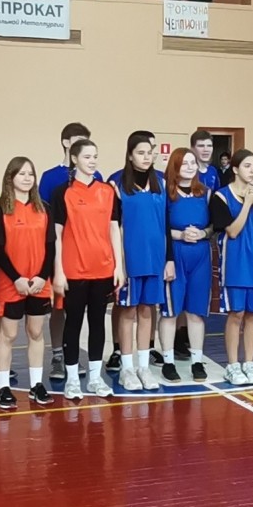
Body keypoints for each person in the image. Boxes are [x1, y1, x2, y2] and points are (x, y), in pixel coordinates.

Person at [51, 138, 123, 400]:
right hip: (74, 271)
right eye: (87, 157)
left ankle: (95, 378)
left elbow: (114, 229)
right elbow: (57, 235)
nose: (92, 161)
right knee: (73, 323)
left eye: (95, 156)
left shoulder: (107, 191)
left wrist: (119, 266)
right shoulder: (62, 192)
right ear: (74, 159)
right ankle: (72, 379)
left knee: (97, 323)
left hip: (103, 269)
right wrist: (58, 271)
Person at [0, 157, 56, 409]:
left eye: (31, 174)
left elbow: (51, 246)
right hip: (11, 282)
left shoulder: (44, 208)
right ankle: (3, 387)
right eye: (21, 174)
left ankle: (36, 384)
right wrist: (16, 278)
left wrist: (42, 276)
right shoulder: (0, 209)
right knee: (8, 334)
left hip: (39, 282)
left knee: (36, 332)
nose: (27, 178)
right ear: (10, 178)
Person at [114, 130, 171, 392]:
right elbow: (114, 228)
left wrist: (169, 259)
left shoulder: (161, 182)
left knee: (147, 311)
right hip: (130, 260)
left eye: (150, 153)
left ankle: (143, 367)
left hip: (155, 258)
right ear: (130, 155)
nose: (146, 157)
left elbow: (166, 224)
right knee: (128, 312)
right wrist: (119, 264)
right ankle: (126, 368)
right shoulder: (117, 184)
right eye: (140, 153)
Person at [212, 149, 253, 385]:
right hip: (235, 262)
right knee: (236, 313)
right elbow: (233, 231)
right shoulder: (221, 196)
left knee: (252, 314)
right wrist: (247, 203)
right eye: (247, 166)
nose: (252, 170)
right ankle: (232, 365)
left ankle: (248, 362)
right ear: (235, 169)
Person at [39, 122, 89, 382]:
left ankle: (73, 353)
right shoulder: (50, 177)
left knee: (79, 308)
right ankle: (58, 354)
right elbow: (43, 215)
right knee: (59, 306)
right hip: (60, 250)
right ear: (66, 144)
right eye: (78, 141)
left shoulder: (94, 176)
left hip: (85, 253)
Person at [158, 146, 212, 383]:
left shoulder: (206, 193)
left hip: (200, 255)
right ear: (175, 166)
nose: (190, 167)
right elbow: (160, 227)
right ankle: (168, 362)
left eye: (193, 162)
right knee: (170, 311)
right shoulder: (166, 194)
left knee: (196, 312)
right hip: (175, 253)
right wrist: (180, 235)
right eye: (185, 163)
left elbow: (214, 226)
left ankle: (197, 361)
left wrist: (202, 234)